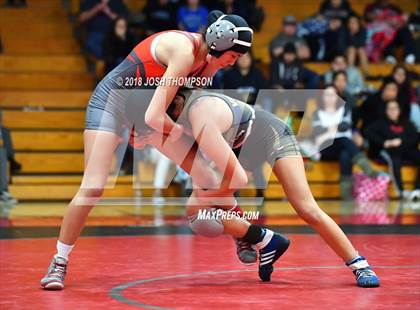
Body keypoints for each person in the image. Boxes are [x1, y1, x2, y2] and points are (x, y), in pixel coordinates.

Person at [40, 10, 254, 290]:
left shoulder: (210, 63)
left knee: (208, 177)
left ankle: (243, 232)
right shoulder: (183, 51)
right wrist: (179, 132)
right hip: (112, 105)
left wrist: (172, 132)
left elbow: (177, 107)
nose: (234, 63)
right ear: (219, 42)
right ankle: (59, 261)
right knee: (93, 187)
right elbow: (156, 118)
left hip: (148, 111)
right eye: (234, 56)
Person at [154, 87, 380, 287]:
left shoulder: (198, 115)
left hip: (273, 135)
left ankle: (359, 264)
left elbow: (238, 180)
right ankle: (259, 239)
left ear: (177, 104)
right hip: (243, 145)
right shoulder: (185, 115)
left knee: (306, 208)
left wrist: (212, 198)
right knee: (198, 209)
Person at [312, 86, 379, 199]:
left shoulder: (344, 109)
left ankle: (346, 194)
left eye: (333, 95)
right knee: (344, 140)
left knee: (345, 154)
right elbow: (319, 132)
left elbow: (345, 126)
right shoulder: (317, 112)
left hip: (344, 146)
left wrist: (329, 128)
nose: (330, 98)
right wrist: (333, 128)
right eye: (327, 95)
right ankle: (366, 166)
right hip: (326, 148)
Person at [365, 100, 420, 200]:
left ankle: (417, 190)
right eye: (390, 109)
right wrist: (385, 142)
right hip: (389, 150)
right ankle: (401, 191)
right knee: (395, 160)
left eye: (395, 108)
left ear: (399, 110)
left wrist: (401, 141)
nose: (392, 111)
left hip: (406, 148)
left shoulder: (407, 123)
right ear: (386, 111)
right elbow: (368, 132)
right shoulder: (380, 123)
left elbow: (415, 137)